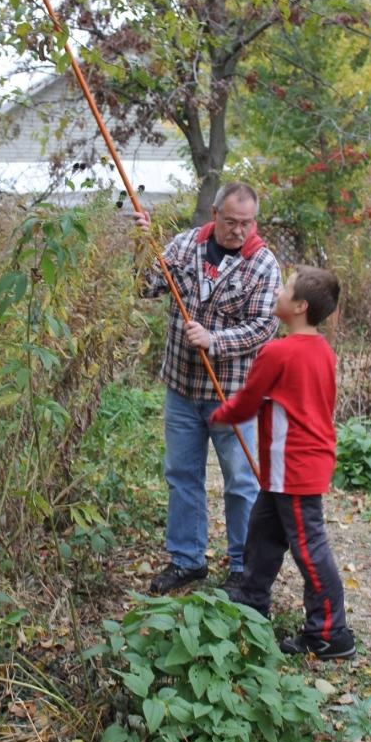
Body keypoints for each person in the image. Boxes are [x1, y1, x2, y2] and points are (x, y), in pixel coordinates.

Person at [133, 182, 281, 594]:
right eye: (231, 222)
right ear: (214, 215)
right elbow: (147, 287)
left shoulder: (263, 265)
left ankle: (243, 568)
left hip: (232, 394)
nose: (238, 230)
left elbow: (264, 327)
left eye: (246, 223)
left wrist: (215, 341)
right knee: (182, 476)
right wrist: (143, 247)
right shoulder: (184, 246)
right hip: (182, 388)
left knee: (240, 482)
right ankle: (186, 561)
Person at [210, 265, 356, 660]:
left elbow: (249, 398)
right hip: (290, 467)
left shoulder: (278, 351)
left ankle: (330, 632)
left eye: (285, 287)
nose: (278, 290)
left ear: (300, 306)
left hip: (294, 466)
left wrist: (221, 414)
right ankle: (252, 599)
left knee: (309, 549)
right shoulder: (321, 349)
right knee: (263, 533)